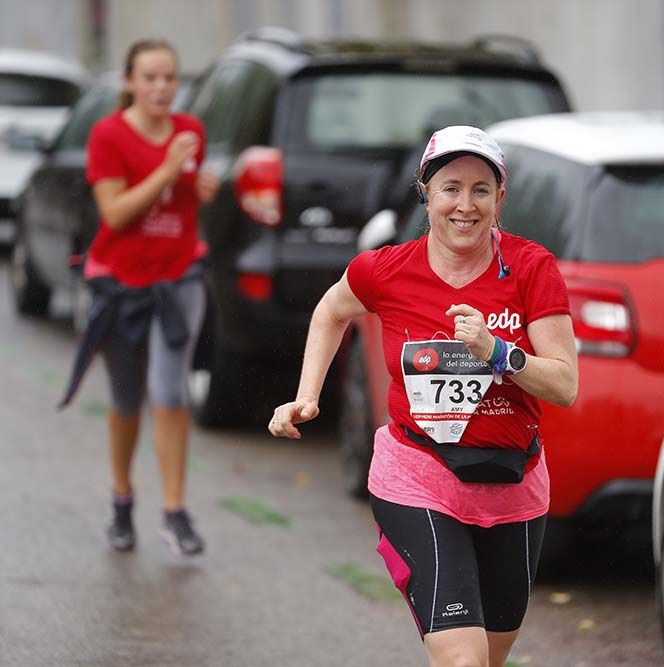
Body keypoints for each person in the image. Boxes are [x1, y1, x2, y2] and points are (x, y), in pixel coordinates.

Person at [270, 125, 578, 666]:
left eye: (481, 189)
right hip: (418, 476)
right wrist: (306, 395)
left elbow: (564, 384)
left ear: (500, 199)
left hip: (514, 485)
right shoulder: (385, 269)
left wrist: (498, 353)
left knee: (490, 658)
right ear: (425, 193)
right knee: (463, 659)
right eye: (450, 188)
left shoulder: (532, 269)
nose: (465, 205)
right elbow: (331, 310)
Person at [59, 39, 219, 556]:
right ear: (130, 81)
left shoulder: (191, 131)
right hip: (120, 286)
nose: (161, 87)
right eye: (149, 77)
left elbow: (185, 194)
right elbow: (115, 213)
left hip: (179, 280)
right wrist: (169, 172)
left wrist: (200, 187)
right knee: (127, 399)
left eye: (170, 78)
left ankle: (174, 512)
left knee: (170, 394)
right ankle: (122, 501)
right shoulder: (107, 136)